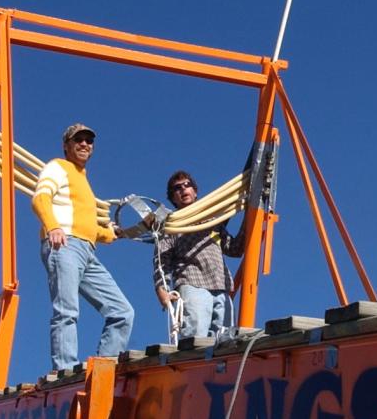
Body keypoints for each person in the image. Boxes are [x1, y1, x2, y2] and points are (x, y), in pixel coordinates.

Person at [32, 123, 134, 371]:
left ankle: (103, 368)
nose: (85, 144)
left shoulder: (83, 182)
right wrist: (53, 226)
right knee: (67, 311)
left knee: (122, 311)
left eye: (89, 141)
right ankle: (65, 369)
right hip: (64, 243)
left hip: (87, 250)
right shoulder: (58, 166)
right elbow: (40, 197)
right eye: (79, 140)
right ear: (67, 145)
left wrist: (109, 234)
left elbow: (86, 225)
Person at [153, 170, 244, 339]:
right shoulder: (172, 224)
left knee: (224, 342)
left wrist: (250, 221)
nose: (183, 189)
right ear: (173, 198)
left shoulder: (211, 223)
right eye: (177, 188)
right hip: (192, 284)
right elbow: (161, 261)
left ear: (195, 191)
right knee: (195, 338)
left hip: (221, 286)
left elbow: (234, 249)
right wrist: (162, 291)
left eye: (187, 185)